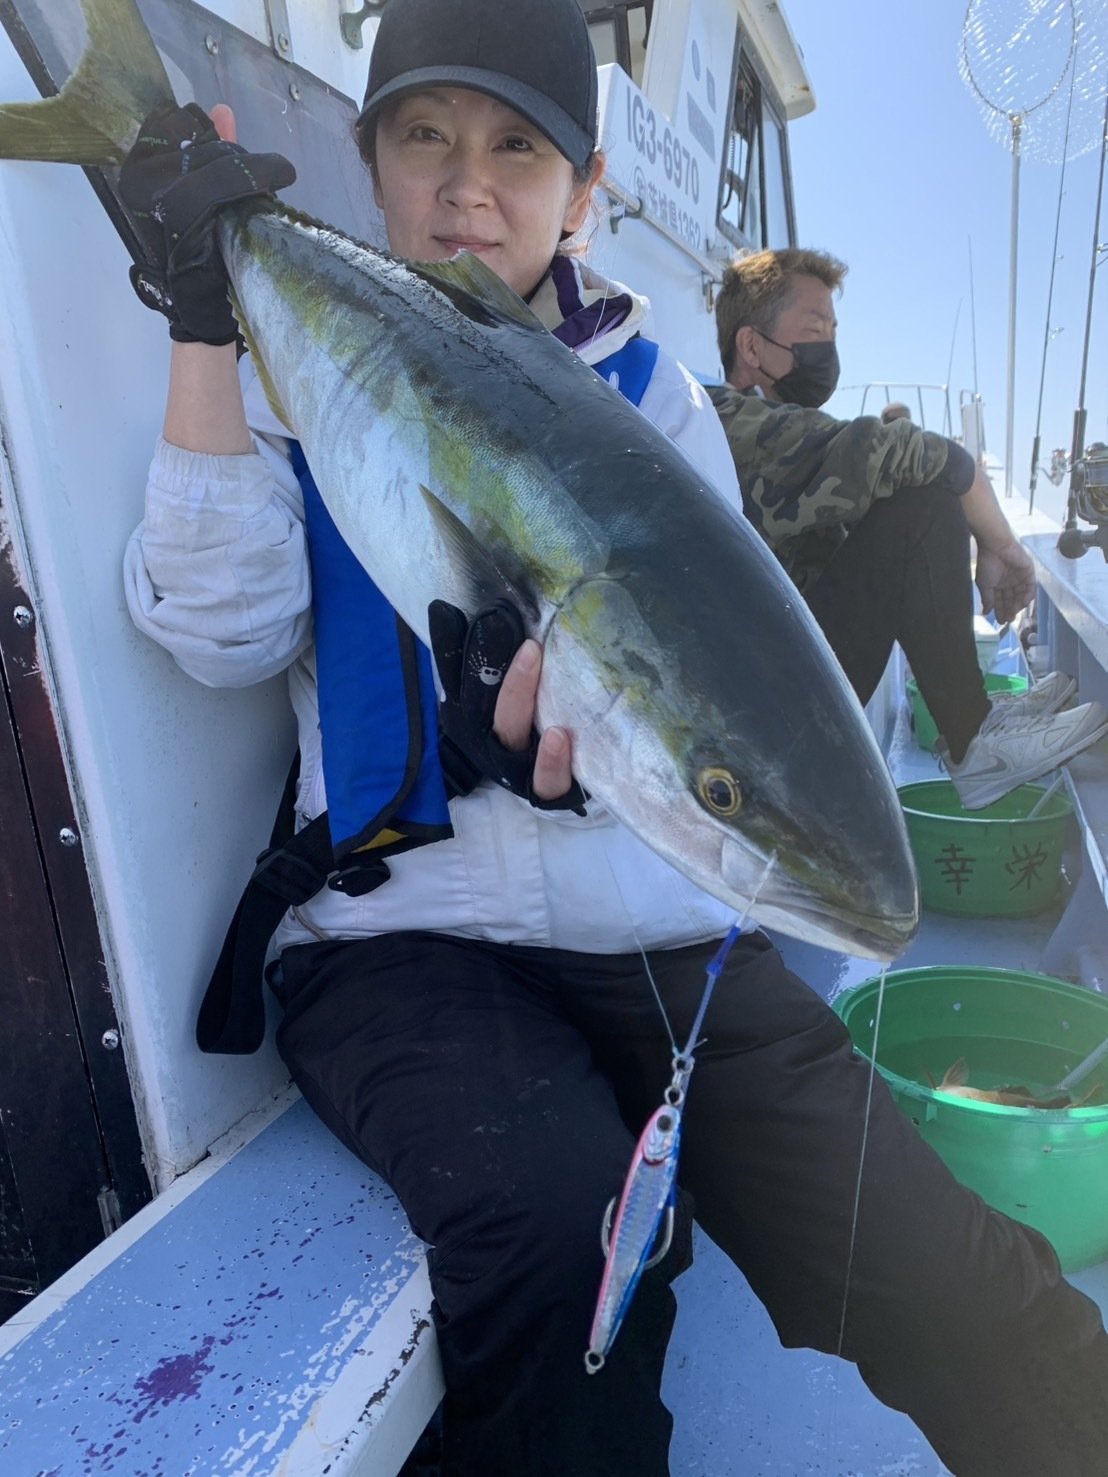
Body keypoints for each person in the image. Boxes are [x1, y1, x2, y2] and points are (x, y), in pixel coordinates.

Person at [120, 2, 1108, 1473]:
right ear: (371, 160)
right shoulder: (290, 355)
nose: (469, 186)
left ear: (583, 189)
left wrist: (608, 785)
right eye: (426, 137)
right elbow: (221, 633)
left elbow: (694, 669)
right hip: (401, 941)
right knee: (555, 1227)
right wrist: (207, 322)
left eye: (519, 148)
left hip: (656, 927)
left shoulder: (657, 400)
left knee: (947, 1271)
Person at [708, 248, 1108, 810]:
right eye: (814, 330)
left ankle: (976, 717)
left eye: (833, 332)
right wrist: (1001, 544)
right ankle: (974, 741)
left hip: (785, 678)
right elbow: (912, 457)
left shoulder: (781, 426)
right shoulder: (726, 423)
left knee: (913, 502)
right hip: (756, 716)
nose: (828, 348)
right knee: (923, 503)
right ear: (751, 347)